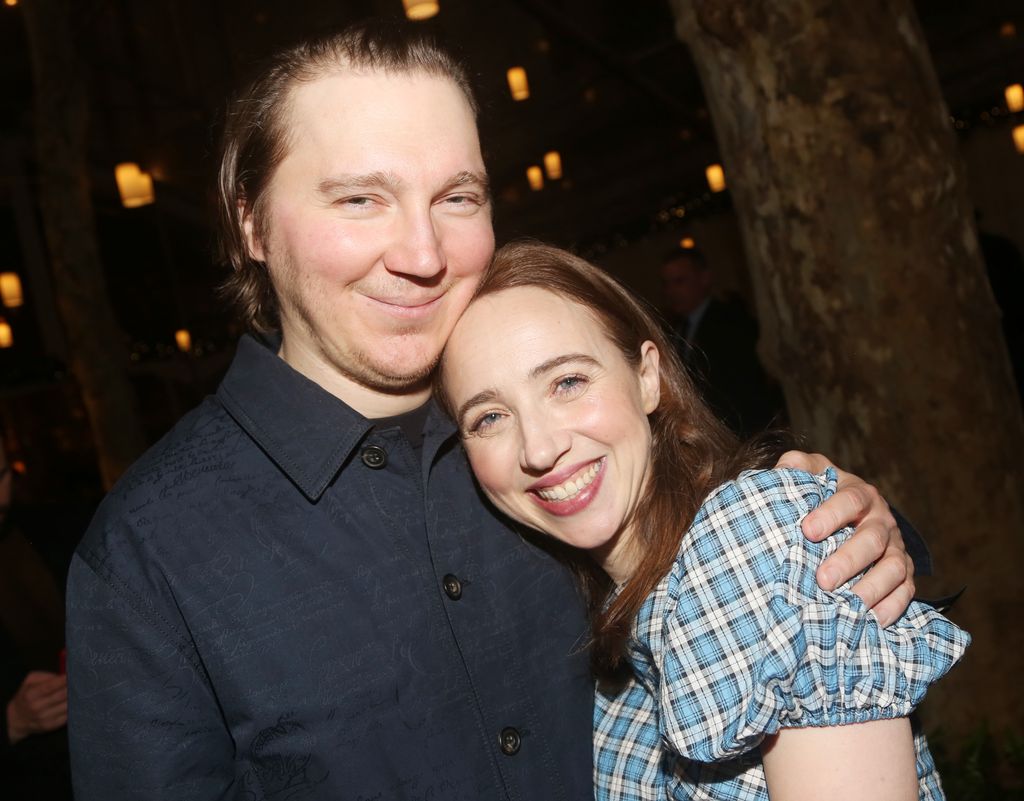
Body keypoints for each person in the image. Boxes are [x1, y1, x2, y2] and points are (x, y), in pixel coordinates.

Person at [66, 22, 919, 800]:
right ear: (250, 221)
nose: (424, 252)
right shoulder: (147, 555)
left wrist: (856, 534)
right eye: (360, 198)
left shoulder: (553, 454)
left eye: (457, 197)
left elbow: (743, 578)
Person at [440, 241, 970, 801]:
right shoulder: (589, 617)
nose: (540, 448)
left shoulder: (747, 539)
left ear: (649, 377)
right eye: (490, 416)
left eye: (567, 382)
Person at [661, 247, 787, 437]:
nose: (671, 291)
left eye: (680, 281)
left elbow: (743, 388)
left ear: (704, 278)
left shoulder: (730, 321)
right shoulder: (677, 330)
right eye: (666, 284)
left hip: (741, 433)